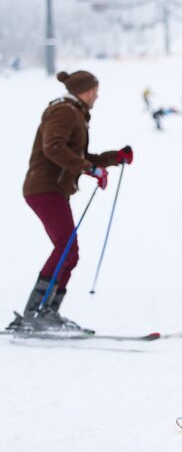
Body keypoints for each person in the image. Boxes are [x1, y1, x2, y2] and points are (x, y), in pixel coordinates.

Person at [7, 70, 133, 332]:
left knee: (69, 252)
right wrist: (90, 170)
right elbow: (53, 147)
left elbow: (80, 155)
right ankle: (35, 313)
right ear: (86, 91)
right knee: (66, 248)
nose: (98, 95)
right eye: (95, 90)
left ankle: (47, 312)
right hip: (44, 189)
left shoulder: (74, 113)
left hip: (53, 190)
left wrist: (114, 158)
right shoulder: (64, 111)